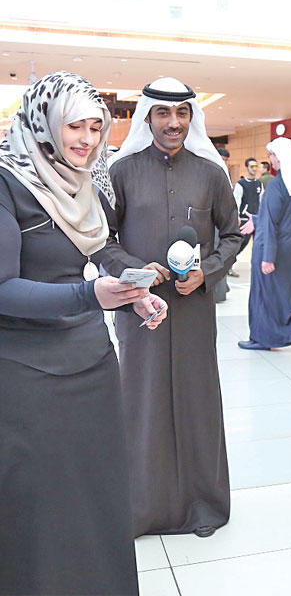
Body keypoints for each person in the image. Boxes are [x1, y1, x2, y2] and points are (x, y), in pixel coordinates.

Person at [0, 71, 167, 595]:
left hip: (91, 362)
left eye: (97, 127)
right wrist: (89, 295)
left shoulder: (85, 181)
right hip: (26, 371)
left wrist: (133, 287)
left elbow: (99, 248)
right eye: (76, 126)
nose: (88, 140)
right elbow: (3, 288)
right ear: (44, 123)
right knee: (38, 504)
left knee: (95, 495)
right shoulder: (7, 183)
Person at [99, 77, 241, 538]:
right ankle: (143, 509)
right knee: (142, 401)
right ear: (148, 118)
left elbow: (232, 234)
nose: (173, 122)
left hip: (195, 309)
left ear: (191, 118)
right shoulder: (122, 172)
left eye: (182, 113)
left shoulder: (210, 173)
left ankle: (203, 506)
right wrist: (136, 271)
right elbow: (102, 239)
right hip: (140, 309)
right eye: (163, 113)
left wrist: (208, 271)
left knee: (198, 401)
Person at [238, 138, 291, 350]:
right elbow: (284, 217)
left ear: (282, 158)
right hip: (290, 249)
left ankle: (263, 338)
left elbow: (271, 222)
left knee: (264, 295)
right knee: (286, 290)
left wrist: (267, 257)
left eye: (273, 155)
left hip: (271, 249)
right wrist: (256, 219)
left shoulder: (277, 185)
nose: (271, 159)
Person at [233, 157, 264, 255]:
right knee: (240, 245)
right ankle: (229, 262)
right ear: (247, 168)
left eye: (256, 166)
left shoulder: (259, 184)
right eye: (252, 166)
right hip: (244, 220)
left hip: (257, 219)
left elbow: (262, 201)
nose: (254, 169)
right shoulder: (241, 184)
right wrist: (236, 216)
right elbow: (236, 201)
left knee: (259, 246)